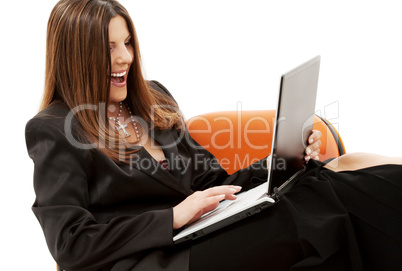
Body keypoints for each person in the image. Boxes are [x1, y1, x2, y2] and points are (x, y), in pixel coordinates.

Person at [25, 0, 402, 270]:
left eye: (127, 43)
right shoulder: (54, 128)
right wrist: (172, 217)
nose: (125, 58)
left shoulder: (153, 98)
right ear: (77, 56)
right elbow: (69, 243)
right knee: (308, 209)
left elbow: (213, 183)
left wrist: (277, 163)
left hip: (202, 235)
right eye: (109, 48)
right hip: (156, 258)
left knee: (316, 182)